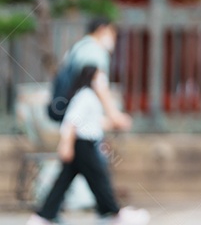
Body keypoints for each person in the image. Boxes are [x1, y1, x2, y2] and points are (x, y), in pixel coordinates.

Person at [29, 65, 150, 224]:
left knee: (64, 181)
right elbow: (71, 121)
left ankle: (44, 216)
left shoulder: (89, 97)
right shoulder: (86, 96)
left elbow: (94, 122)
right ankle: (113, 212)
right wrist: (66, 145)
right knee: (99, 178)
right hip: (83, 145)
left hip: (84, 144)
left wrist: (116, 122)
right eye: (100, 78)